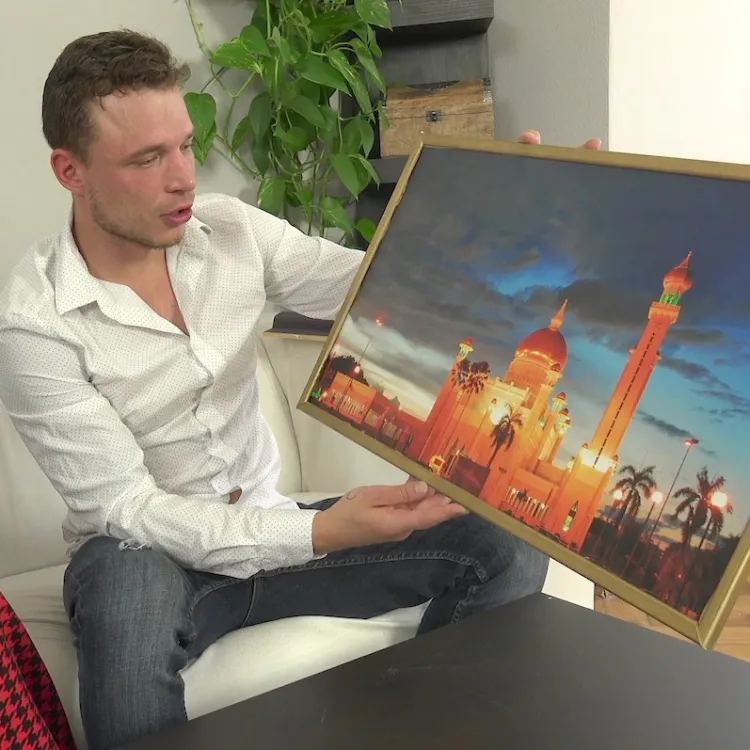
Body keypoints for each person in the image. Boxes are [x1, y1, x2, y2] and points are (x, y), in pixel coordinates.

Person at [0, 29, 601, 750]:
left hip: (274, 527)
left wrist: (508, 222)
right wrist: (322, 531)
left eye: (186, 145)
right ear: (70, 170)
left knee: (504, 544)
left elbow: (377, 280)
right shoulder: (33, 325)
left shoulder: (230, 231)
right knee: (123, 589)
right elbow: (130, 510)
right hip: (152, 559)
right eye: (147, 159)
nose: (184, 177)